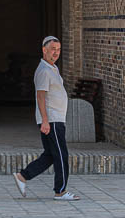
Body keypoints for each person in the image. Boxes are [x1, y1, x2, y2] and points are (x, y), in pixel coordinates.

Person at [13, 35, 79, 201]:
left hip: (55, 120)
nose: (56, 53)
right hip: (52, 120)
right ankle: (60, 191)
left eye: (58, 50)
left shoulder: (52, 68)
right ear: (44, 50)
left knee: (50, 155)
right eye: (52, 49)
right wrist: (45, 120)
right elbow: (40, 97)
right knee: (61, 155)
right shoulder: (43, 71)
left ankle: (23, 176)